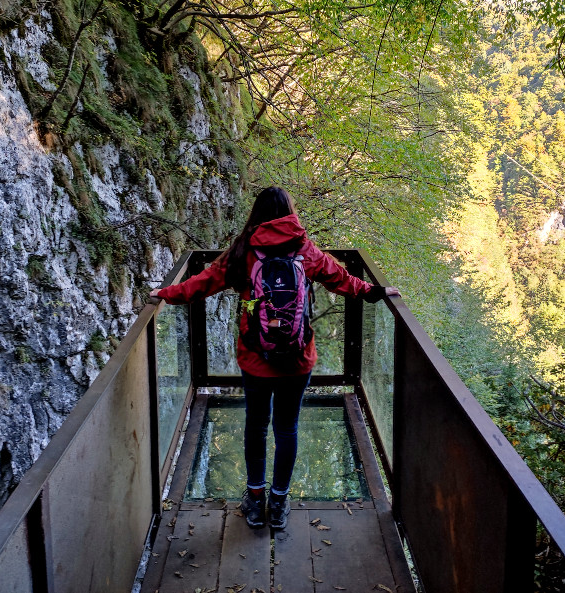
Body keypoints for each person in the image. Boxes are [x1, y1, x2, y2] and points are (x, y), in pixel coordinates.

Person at [150, 187, 398, 530]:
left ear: (257, 213)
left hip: (255, 359)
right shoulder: (303, 248)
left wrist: (164, 294)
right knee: (287, 428)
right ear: (289, 213)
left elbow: (203, 283)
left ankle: (255, 501)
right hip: (298, 360)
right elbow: (338, 277)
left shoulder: (244, 250)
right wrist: (374, 291)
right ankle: (279, 502)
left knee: (256, 426)